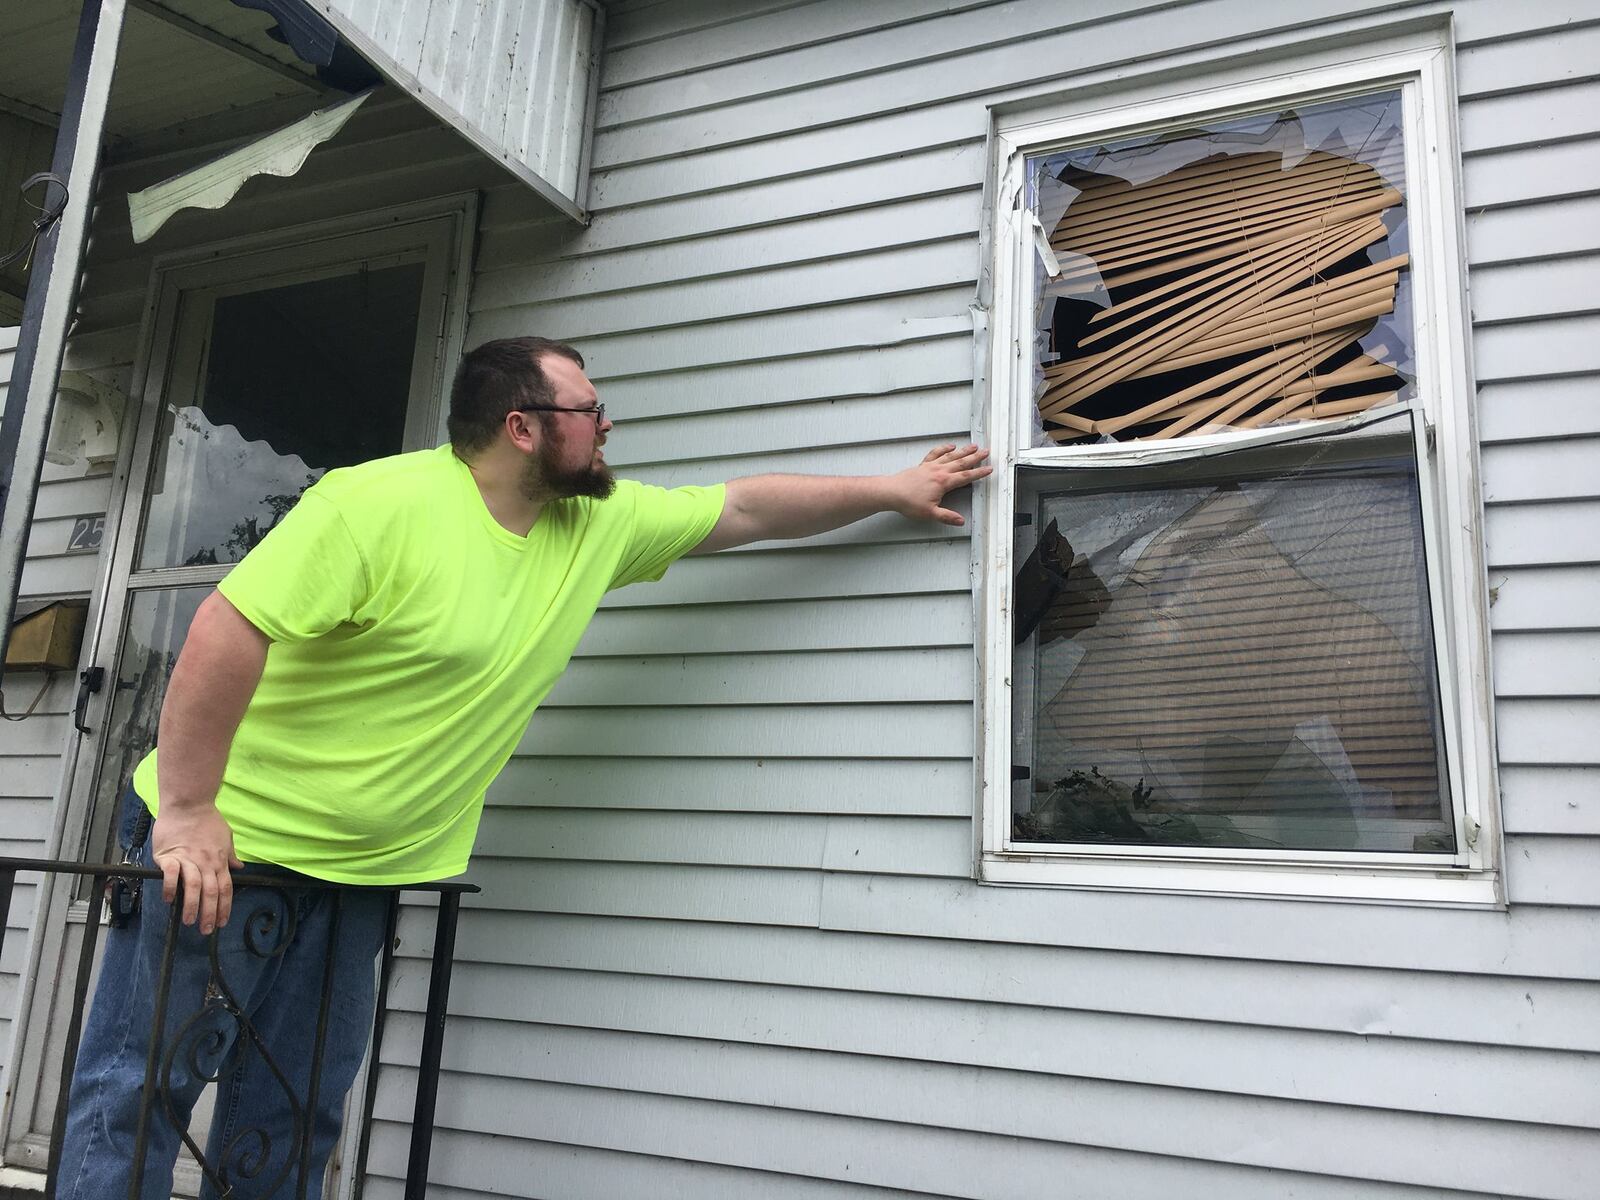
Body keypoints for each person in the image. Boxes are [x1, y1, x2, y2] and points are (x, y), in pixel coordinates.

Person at [57, 336, 991, 1199]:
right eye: (590, 410)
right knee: (142, 1092)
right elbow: (230, 625)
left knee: (295, 1108)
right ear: (523, 427)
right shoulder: (376, 504)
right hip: (228, 853)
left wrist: (893, 487)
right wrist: (184, 809)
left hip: (364, 878)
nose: (608, 424)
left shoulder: (594, 526)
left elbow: (743, 507)